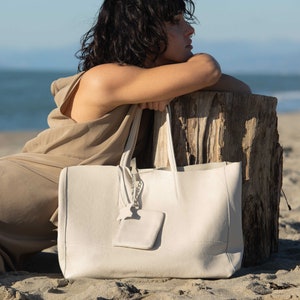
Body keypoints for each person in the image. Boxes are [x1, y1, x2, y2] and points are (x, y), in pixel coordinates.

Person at [0, 0, 251, 273]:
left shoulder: (139, 84)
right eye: (175, 22)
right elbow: (208, 71)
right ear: (145, 29)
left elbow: (241, 90)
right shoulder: (105, 79)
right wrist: (183, 78)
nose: (189, 30)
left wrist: (172, 85)